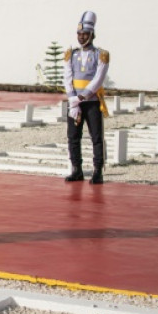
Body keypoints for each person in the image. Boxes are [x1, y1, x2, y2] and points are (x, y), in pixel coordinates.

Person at [64, 11, 109, 185]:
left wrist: (82, 96)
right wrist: (72, 99)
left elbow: (98, 78)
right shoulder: (71, 54)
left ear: (91, 34)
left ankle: (98, 171)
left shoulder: (101, 54)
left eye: (84, 34)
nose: (81, 37)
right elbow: (67, 77)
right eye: (79, 34)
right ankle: (77, 169)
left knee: (96, 137)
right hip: (75, 102)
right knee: (73, 136)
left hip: (91, 102)